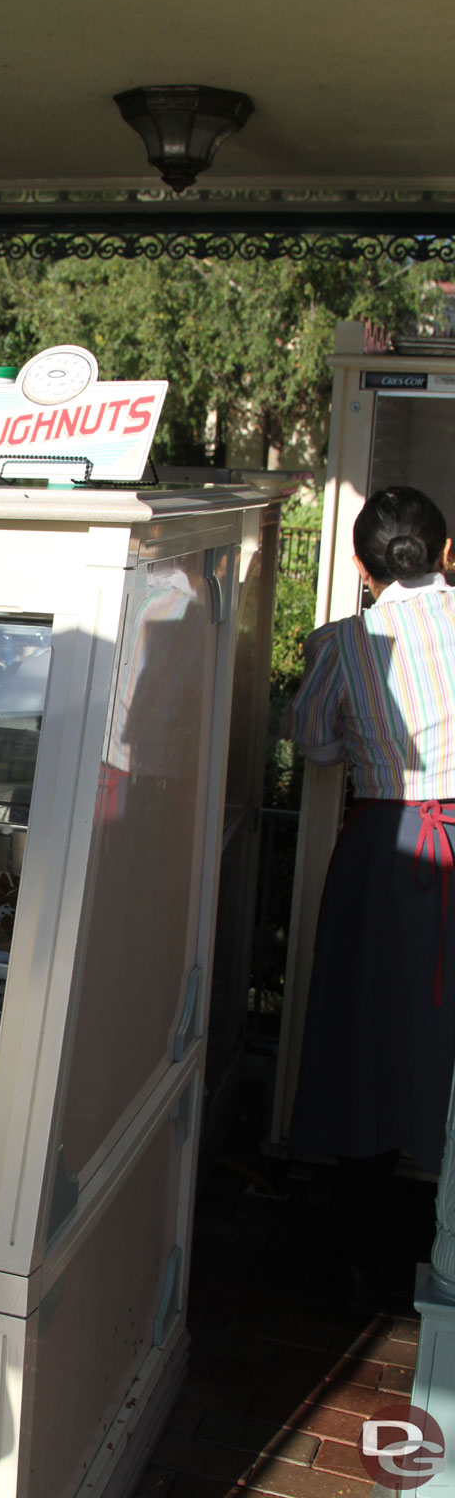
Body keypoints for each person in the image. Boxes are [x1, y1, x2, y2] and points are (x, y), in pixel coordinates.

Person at [284, 485, 455, 1287]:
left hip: (389, 844)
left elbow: (315, 746)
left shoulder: (345, 644)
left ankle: (361, 1244)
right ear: (445, 551)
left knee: (369, 1030)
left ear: (359, 563)